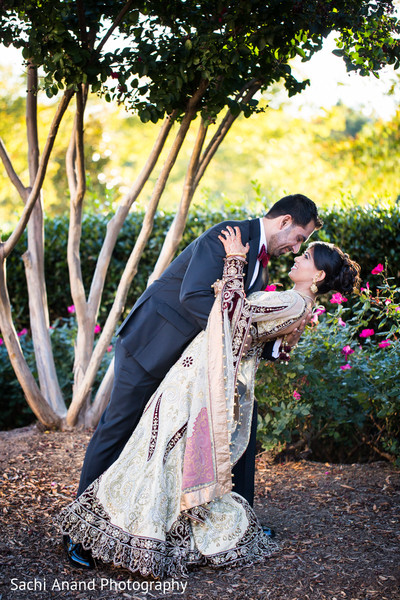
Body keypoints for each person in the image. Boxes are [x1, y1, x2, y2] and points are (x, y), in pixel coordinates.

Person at [57, 227, 361, 578]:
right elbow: (248, 326)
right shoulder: (296, 303)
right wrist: (277, 342)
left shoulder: (293, 301)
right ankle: (112, 527)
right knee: (159, 447)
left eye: (305, 256)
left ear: (319, 275)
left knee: (156, 449)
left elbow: (235, 318)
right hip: (195, 370)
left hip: (199, 376)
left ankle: (114, 529)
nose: (297, 254)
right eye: (300, 247)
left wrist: (234, 259)